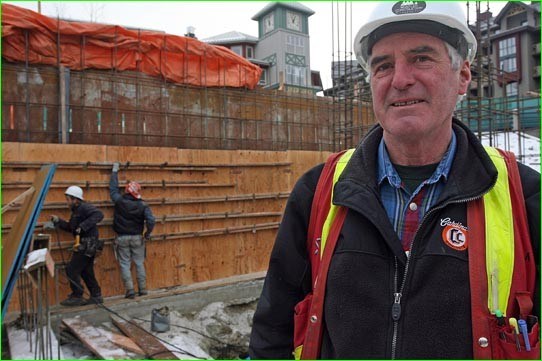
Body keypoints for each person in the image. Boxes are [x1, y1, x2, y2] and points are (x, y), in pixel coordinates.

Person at [249, 2, 540, 359]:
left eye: (421, 58)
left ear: (463, 76)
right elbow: (272, 333)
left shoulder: (523, 197)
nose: (400, 79)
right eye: (383, 65)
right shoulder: (319, 192)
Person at [51, 185, 104, 306]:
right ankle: (96, 295)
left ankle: (77, 296)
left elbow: (99, 215)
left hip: (87, 244)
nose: (67, 202)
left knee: (71, 269)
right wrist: (59, 221)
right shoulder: (76, 212)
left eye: (68, 199)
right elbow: (71, 228)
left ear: (75, 199)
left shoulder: (84, 207)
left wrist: (83, 226)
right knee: (86, 271)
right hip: (86, 245)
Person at [110, 162, 155, 299]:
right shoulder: (143, 205)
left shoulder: (119, 201)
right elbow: (151, 220)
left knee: (125, 263)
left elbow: (113, 190)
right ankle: (142, 289)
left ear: (127, 191)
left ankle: (130, 290)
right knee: (139, 263)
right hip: (137, 238)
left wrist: (114, 171)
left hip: (122, 237)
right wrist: (147, 233)